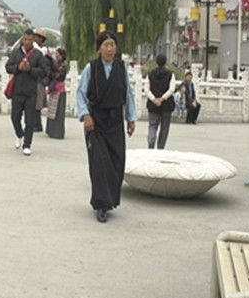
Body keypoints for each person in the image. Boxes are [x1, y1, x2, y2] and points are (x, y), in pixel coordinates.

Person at [76, 31, 136, 223]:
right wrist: (85, 114)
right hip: (96, 122)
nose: (109, 49)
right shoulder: (91, 68)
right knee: (99, 163)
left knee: (117, 162)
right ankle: (101, 204)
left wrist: (131, 118)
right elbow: (80, 93)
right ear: (99, 49)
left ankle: (110, 201)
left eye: (112, 45)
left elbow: (128, 94)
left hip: (115, 121)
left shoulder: (121, 68)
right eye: (106, 45)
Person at [5, 29, 46, 156]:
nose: (27, 42)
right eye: (25, 39)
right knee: (14, 117)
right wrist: (18, 68)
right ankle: (19, 134)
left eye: (30, 40)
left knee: (30, 121)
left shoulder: (38, 54)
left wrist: (30, 69)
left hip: (31, 92)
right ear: (22, 39)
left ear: (33, 41)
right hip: (17, 91)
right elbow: (8, 67)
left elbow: (43, 71)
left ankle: (27, 145)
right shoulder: (16, 53)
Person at [145, 53, 175, 149]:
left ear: (156, 62)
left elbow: (146, 89)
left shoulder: (150, 74)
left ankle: (151, 141)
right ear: (165, 62)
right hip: (166, 105)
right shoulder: (170, 74)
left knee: (152, 125)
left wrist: (154, 99)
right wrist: (162, 98)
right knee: (164, 128)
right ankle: (160, 147)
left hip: (153, 105)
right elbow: (171, 89)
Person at [45, 47, 68, 139]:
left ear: (62, 56)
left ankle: (57, 133)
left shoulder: (63, 66)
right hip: (54, 90)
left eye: (58, 55)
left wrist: (51, 72)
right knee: (51, 111)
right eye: (56, 55)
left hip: (59, 91)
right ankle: (51, 131)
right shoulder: (56, 64)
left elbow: (58, 76)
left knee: (58, 113)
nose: (56, 56)